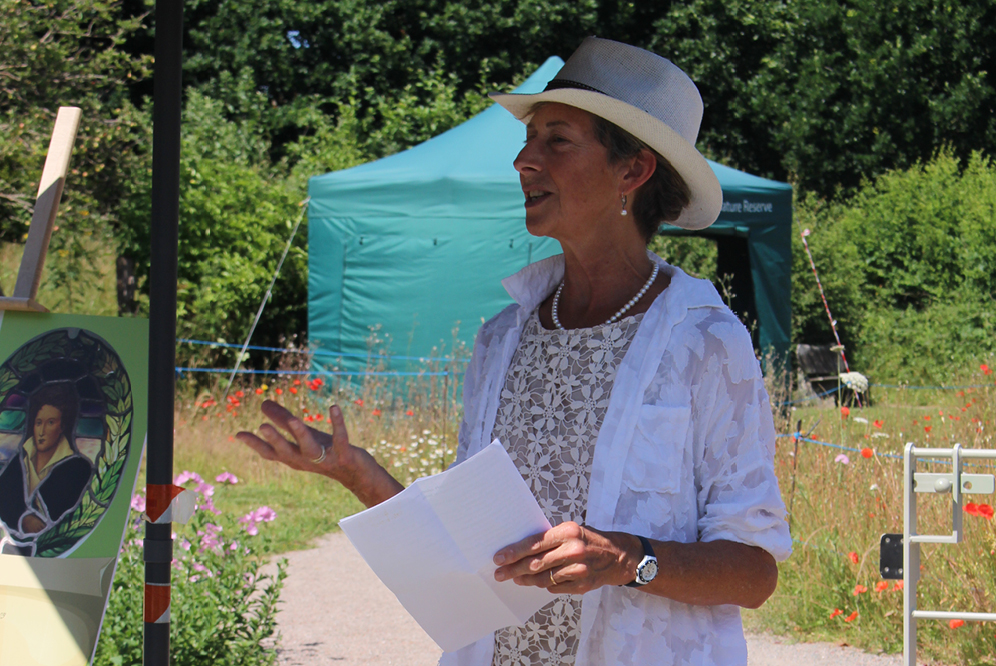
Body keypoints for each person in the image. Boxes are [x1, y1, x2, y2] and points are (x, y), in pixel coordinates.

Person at [238, 37, 792, 666]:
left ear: (632, 172)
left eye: (557, 140)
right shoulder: (503, 336)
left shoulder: (704, 341)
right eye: (529, 140)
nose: (524, 160)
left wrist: (627, 560)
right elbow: (467, 551)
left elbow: (754, 572)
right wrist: (355, 472)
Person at [0, 383, 91, 543]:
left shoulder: (78, 468)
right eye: (38, 423)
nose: (41, 432)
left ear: (62, 426)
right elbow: (4, 498)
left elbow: (70, 517)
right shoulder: (18, 461)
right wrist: (24, 519)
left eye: (50, 422)